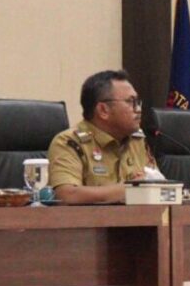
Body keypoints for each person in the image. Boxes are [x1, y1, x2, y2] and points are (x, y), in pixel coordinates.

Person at [48, 69, 157, 203]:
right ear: (103, 110)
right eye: (130, 102)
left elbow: (157, 185)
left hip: (139, 221)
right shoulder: (70, 142)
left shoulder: (137, 140)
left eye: (138, 102)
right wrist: (132, 189)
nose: (138, 109)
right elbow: (67, 194)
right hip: (90, 222)